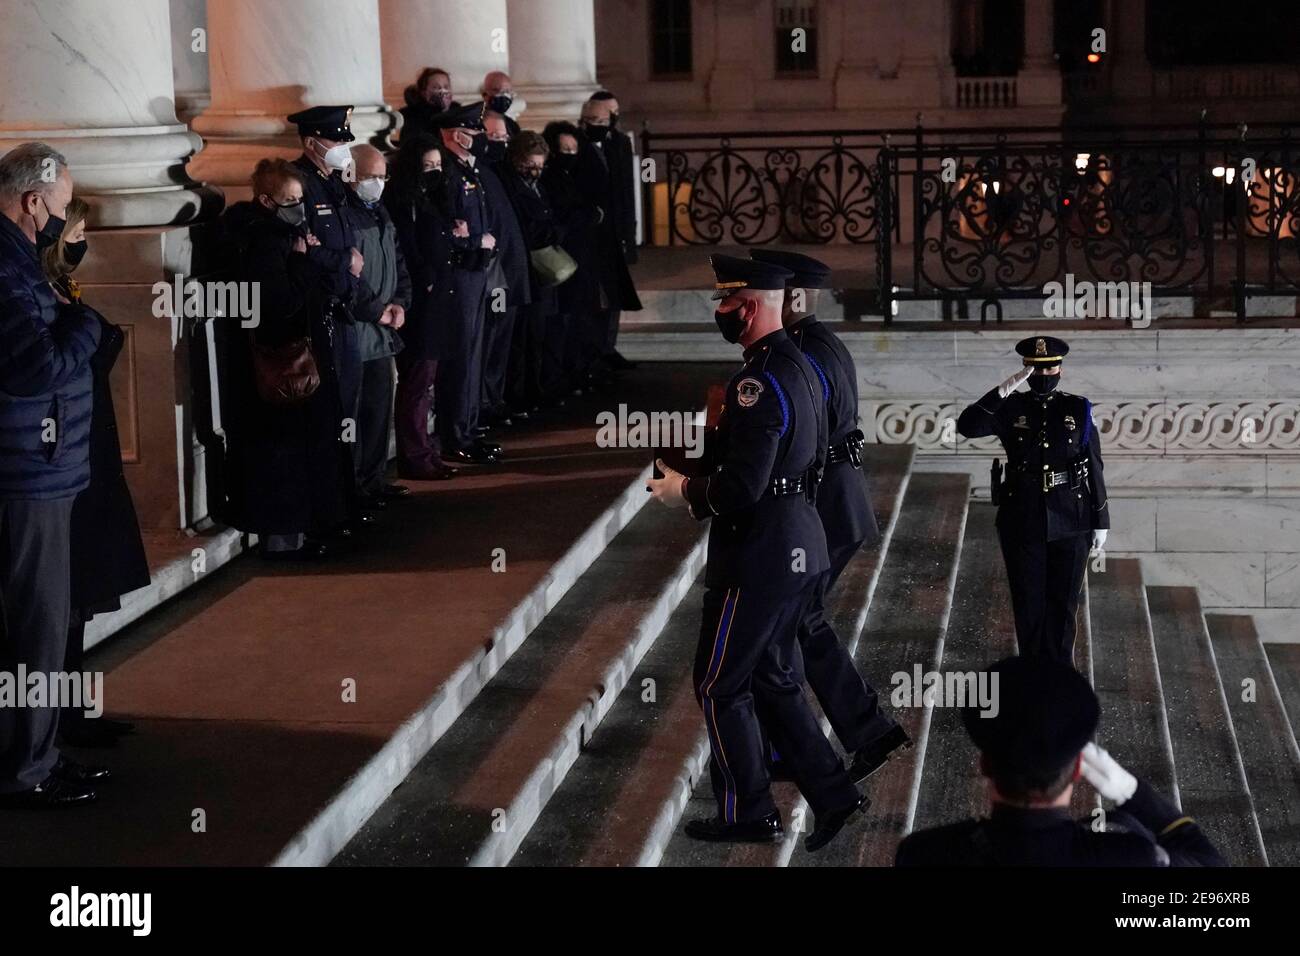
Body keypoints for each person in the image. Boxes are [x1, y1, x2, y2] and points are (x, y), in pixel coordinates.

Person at [648, 255, 867, 851]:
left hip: (761, 555)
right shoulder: (797, 363)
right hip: (802, 542)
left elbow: (744, 485)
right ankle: (836, 794)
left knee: (719, 684)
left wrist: (683, 491)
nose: (721, 314)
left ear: (747, 305)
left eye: (725, 303)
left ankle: (749, 812)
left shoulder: (756, 380)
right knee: (770, 676)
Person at [749, 249, 910, 781]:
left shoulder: (800, 353)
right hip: (838, 503)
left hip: (825, 506)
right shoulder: (821, 343)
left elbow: (807, 439)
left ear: (792, 297)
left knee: (791, 625)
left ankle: (837, 738)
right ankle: (853, 735)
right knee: (797, 624)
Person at [0, 142, 106, 808]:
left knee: (37, 625)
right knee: (35, 629)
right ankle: (28, 768)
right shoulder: (7, 269)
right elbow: (34, 368)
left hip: (40, 467)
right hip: (27, 474)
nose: (62, 223)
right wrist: (87, 325)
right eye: (60, 209)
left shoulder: (19, 260)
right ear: (33, 199)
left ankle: (35, 754)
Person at [896, 655, 1225, 866]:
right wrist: (1134, 793)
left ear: (984, 765)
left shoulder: (924, 854)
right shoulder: (1128, 857)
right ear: (1080, 769)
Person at [42, 199, 149, 749]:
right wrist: (91, 329)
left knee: (79, 601)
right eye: (76, 231)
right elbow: (65, 359)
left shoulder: (65, 291)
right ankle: (51, 724)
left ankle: (73, 712)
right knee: (57, 606)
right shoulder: (39, 294)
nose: (82, 241)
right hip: (61, 461)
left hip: (87, 455)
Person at [221, 158, 350, 560]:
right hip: (284, 363)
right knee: (285, 456)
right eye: (289, 199)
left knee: (294, 452)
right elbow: (280, 304)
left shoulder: (280, 234)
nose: (298, 206)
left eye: (300, 198)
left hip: (288, 360)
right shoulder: (268, 242)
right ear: (265, 200)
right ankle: (286, 539)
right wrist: (302, 262)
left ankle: (299, 532)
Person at [956, 336, 1110, 661]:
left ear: (1061, 370)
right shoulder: (1010, 406)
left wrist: (1101, 520)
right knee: (1029, 603)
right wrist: (1004, 389)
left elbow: (1093, 464)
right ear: (1025, 369)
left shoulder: (1078, 408)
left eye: (1049, 367)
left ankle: (1060, 676)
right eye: (1034, 369)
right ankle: (1033, 673)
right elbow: (967, 426)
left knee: (1064, 604)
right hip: (1021, 518)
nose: (1043, 375)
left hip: (1072, 517)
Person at [384, 133, 459, 481]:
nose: (434, 172)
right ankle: (414, 456)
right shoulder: (403, 202)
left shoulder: (429, 198)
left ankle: (426, 450)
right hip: (420, 305)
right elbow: (409, 248)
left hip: (437, 301)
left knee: (426, 381)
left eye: (438, 166)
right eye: (427, 166)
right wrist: (425, 278)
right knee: (416, 381)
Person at [341, 144, 412, 507]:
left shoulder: (379, 211)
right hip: (358, 331)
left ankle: (373, 480)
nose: (379, 184)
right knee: (353, 417)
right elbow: (349, 277)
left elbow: (397, 260)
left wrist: (400, 302)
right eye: (372, 177)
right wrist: (376, 310)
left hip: (383, 332)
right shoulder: (345, 214)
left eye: (383, 177)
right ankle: (354, 489)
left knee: (379, 412)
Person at [432, 106, 502, 465]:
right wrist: (474, 239)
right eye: (470, 132)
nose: (476, 138)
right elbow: (448, 228)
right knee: (460, 357)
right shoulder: (446, 172)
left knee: (473, 354)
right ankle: (455, 434)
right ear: (453, 133)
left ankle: (469, 428)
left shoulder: (466, 169)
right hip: (459, 273)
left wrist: (475, 236)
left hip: (475, 272)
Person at [499, 131, 565, 413]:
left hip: (541, 271)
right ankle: (519, 395)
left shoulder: (538, 185)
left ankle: (536, 389)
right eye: (529, 165)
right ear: (517, 160)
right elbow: (530, 228)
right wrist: (553, 231)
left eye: (539, 165)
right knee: (522, 339)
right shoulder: (511, 186)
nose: (535, 171)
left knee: (538, 336)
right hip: (525, 271)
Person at [576, 95, 642, 373]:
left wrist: (629, 234)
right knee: (591, 296)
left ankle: (607, 348)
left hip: (614, 232)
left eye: (604, 120)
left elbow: (626, 190)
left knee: (613, 294)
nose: (599, 125)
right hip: (588, 236)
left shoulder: (620, 143)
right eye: (593, 121)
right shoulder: (576, 145)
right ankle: (589, 352)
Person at [477, 110, 532, 428]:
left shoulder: (497, 173)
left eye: (503, 137)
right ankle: (483, 405)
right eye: (492, 136)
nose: (498, 142)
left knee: (500, 346)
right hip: (492, 276)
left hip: (507, 274)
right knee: (487, 345)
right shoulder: (481, 173)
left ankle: (493, 401)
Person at [541, 121, 601, 398]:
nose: (569, 153)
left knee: (577, 320)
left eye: (573, 149)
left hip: (580, 260)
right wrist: (587, 215)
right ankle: (560, 378)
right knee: (560, 323)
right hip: (559, 261)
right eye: (563, 149)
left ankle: (577, 371)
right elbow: (562, 216)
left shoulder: (573, 176)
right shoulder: (551, 179)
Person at [400, 67, 457, 141]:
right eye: (436, 87)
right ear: (424, 93)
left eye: (446, 87)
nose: (443, 91)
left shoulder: (459, 113)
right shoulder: (413, 118)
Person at [479, 71, 520, 137]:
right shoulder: (473, 122)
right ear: (485, 94)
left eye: (508, 91)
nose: (505, 95)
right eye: (498, 91)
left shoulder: (512, 126)